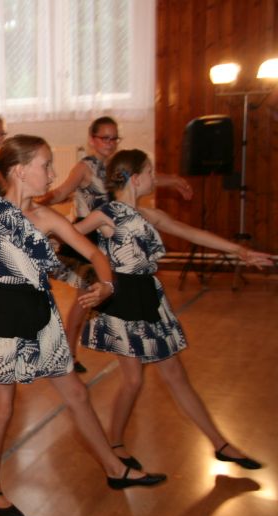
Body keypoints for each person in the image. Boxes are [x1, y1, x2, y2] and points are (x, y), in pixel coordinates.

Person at [0, 135, 166, 516]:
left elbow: (93, 253)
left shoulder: (47, 217)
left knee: (76, 393)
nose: (53, 174)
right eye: (46, 165)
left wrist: (107, 284)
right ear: (21, 170)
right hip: (1, 315)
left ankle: (114, 468)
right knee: (2, 408)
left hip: (41, 313)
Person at [78, 149, 271, 471]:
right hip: (122, 301)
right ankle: (115, 443)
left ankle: (219, 444)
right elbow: (68, 235)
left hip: (149, 297)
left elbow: (190, 232)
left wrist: (240, 251)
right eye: (151, 173)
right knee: (133, 380)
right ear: (135, 178)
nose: (155, 178)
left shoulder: (148, 214)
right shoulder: (106, 214)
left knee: (173, 375)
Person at [41, 116, 193, 374]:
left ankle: (81, 350)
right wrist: (35, 203)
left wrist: (175, 180)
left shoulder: (116, 165)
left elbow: (147, 178)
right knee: (85, 297)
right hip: (88, 235)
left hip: (114, 237)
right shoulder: (84, 167)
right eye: (105, 138)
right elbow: (62, 192)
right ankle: (67, 353)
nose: (110, 143)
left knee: (96, 295)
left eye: (114, 138)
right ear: (92, 140)